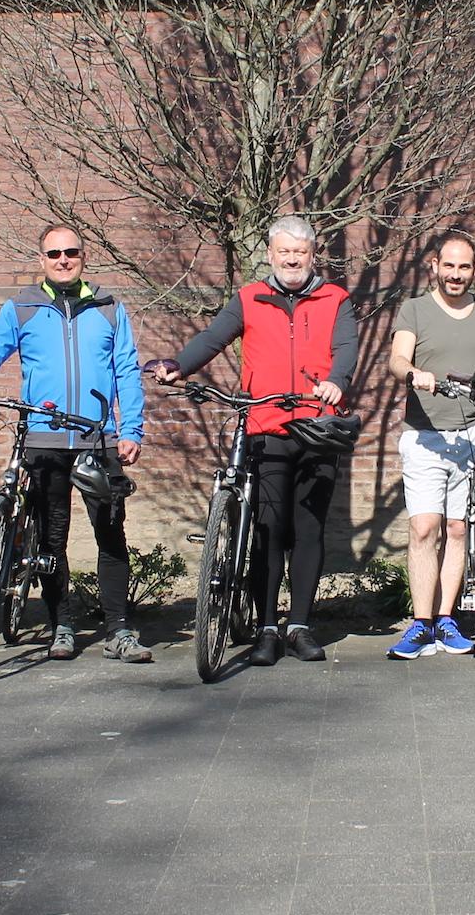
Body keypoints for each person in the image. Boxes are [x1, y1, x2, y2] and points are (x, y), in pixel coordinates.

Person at [150, 214, 358, 666]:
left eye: (299, 253)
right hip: (265, 426)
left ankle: (299, 625)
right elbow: (213, 338)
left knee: (308, 529)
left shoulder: (335, 298)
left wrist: (337, 382)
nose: (291, 260)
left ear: (312, 256)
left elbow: (345, 350)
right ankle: (266, 627)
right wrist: (180, 366)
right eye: (283, 252)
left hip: (317, 423)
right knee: (266, 529)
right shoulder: (249, 298)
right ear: (270, 255)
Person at [0, 223, 150, 663]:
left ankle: (118, 630)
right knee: (51, 540)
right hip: (43, 437)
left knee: (110, 534)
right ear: (41, 260)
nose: (63, 259)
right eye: (54, 253)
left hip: (98, 439)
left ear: (84, 256)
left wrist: (131, 429)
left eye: (71, 252)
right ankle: (62, 625)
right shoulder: (21, 307)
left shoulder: (109, 307)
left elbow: (127, 372)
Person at [385, 231, 475, 660]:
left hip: (472, 435)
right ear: (434, 266)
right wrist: (414, 374)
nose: (456, 275)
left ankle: (446, 620)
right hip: (426, 437)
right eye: (448, 265)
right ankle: (420, 624)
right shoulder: (415, 310)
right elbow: (397, 359)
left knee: (458, 528)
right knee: (423, 527)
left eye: (464, 267)